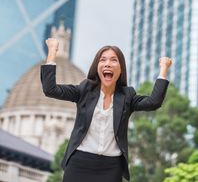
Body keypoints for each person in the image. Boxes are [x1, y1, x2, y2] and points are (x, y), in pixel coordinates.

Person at [41, 38, 172, 182]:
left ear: (121, 69)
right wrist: (52, 50)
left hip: (111, 168)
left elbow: (153, 102)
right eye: (103, 60)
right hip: (79, 164)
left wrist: (164, 69)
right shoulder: (84, 90)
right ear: (97, 67)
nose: (108, 64)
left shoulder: (127, 96)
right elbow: (50, 89)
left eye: (113, 60)